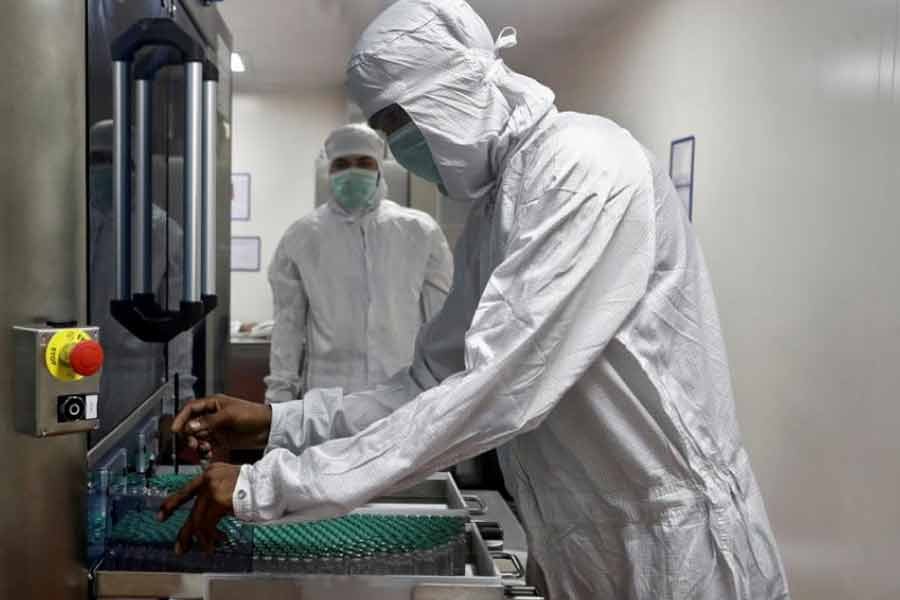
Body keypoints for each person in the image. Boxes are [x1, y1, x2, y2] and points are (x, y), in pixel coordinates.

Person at [160, 1, 791, 598]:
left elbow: (494, 390)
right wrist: (278, 422)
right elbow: (432, 380)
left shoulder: (584, 168)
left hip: (671, 548)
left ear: (447, 91)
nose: (394, 150)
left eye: (394, 126)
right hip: (580, 540)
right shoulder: (496, 208)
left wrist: (264, 486)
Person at [264, 123, 453, 402]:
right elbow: (287, 324)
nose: (353, 171)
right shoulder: (302, 236)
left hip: (403, 393)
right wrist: (279, 397)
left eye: (364, 162)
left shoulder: (419, 231)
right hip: (329, 397)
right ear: (330, 171)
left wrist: (445, 387)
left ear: (379, 168)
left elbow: (440, 318)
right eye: (342, 164)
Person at [88, 120, 195, 439]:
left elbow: (180, 327)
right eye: (96, 159)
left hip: (134, 380)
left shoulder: (161, 230)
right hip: (73, 371)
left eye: (116, 159)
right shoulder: (73, 224)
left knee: (125, 465)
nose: (104, 169)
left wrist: (177, 401)